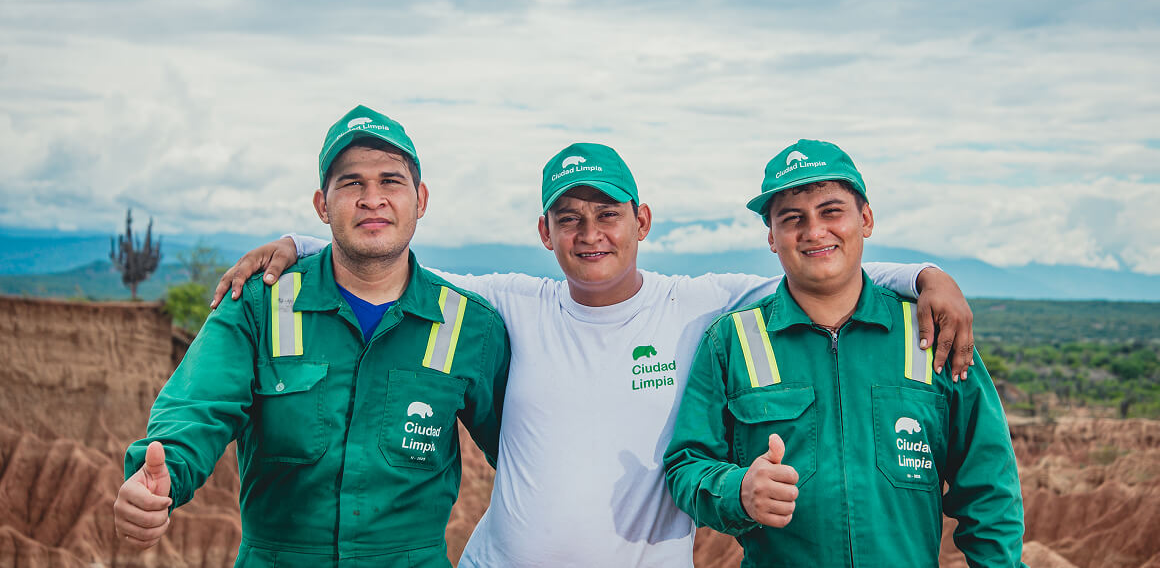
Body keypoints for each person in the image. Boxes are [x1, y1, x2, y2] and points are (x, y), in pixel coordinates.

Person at [214, 142, 977, 567]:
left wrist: (924, 276)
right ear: (545, 233)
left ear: (641, 219)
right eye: (569, 219)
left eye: (608, 214)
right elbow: (393, 265)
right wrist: (302, 244)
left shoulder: (698, 305)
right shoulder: (511, 304)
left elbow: (816, 263)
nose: (591, 235)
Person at [113, 106, 510, 568]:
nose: (372, 198)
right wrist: (159, 478)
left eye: (390, 181)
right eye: (351, 183)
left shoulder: (472, 327)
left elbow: (526, 453)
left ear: (420, 199)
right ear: (322, 205)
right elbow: (197, 408)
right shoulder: (258, 306)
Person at [664, 139, 1025, 567]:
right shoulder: (731, 342)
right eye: (792, 218)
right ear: (772, 237)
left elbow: (988, 488)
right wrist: (737, 490)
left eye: (831, 211)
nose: (814, 231)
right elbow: (686, 465)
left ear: (865, 218)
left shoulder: (933, 335)